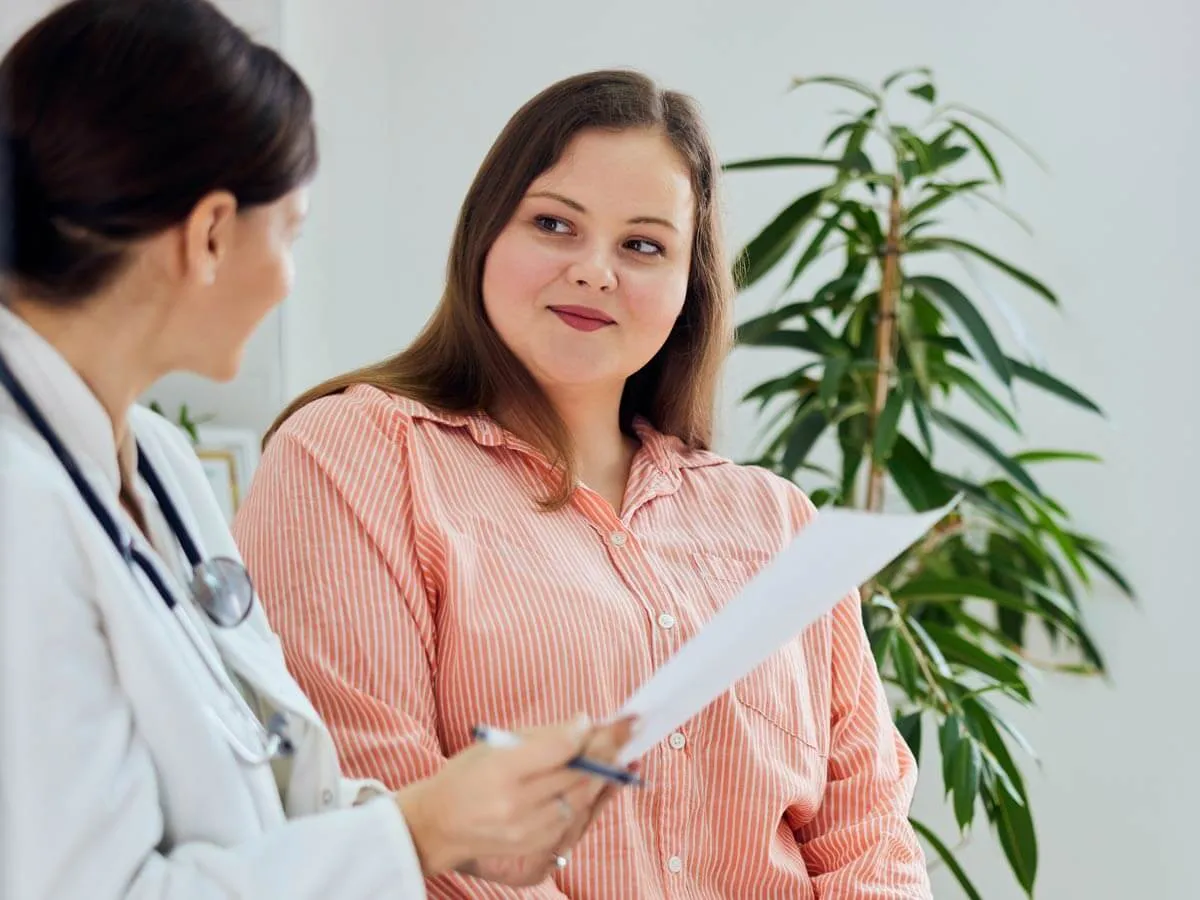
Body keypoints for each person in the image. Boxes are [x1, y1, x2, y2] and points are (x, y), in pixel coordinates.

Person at [233, 70, 933, 898]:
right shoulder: (355, 456)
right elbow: (380, 820)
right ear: (485, 235)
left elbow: (872, 845)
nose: (595, 271)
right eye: (555, 224)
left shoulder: (777, 522)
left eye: (642, 245)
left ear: (688, 286)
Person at [0, 4, 633, 899]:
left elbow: (279, 783)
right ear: (211, 234)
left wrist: (458, 829)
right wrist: (418, 832)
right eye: (291, 232)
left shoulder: (155, 461)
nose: (290, 278)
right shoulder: (17, 507)